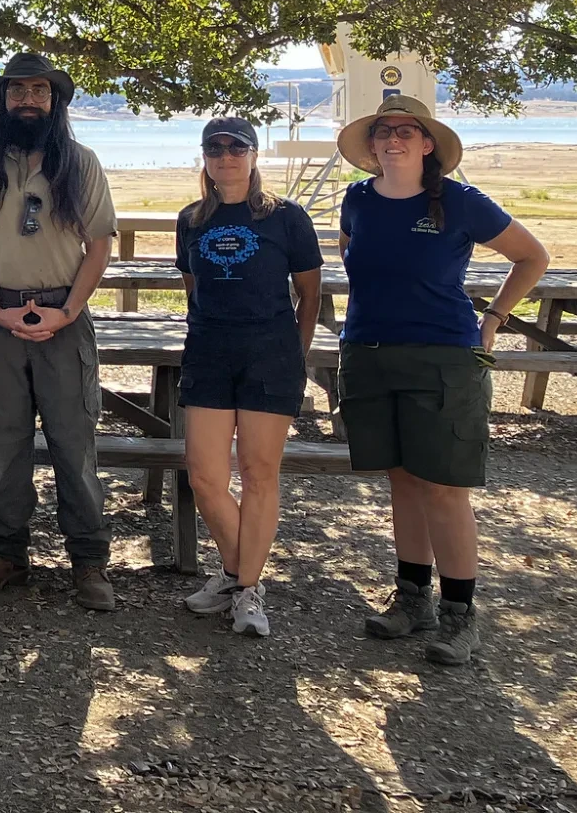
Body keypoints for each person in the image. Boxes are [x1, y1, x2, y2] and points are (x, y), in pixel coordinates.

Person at [335, 95, 547, 666]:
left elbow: (531, 257)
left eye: (407, 131)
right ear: (372, 145)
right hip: (371, 354)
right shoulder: (356, 200)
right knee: (402, 481)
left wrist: (494, 319)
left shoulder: (461, 202)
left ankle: (460, 617)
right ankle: (412, 600)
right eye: (383, 131)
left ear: (428, 145)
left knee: (445, 489)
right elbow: (353, 255)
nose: (393, 139)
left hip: (444, 358)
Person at [0, 51, 119, 610]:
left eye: (38, 91)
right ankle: (6, 553)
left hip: (65, 319)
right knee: (5, 441)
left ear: (55, 101)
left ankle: (88, 562)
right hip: (0, 319)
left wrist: (69, 311)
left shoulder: (81, 163)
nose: (27, 100)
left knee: (74, 442)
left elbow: (100, 247)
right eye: (17, 91)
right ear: (1, 101)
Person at [174, 117, 324, 637]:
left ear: (254, 156)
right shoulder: (191, 218)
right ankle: (241, 576)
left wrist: (295, 353)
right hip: (209, 353)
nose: (226, 156)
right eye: (215, 148)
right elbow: (195, 287)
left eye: (237, 147)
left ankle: (246, 590)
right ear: (206, 160)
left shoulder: (286, 217)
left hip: (271, 355)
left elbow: (310, 292)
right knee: (206, 476)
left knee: (259, 474)